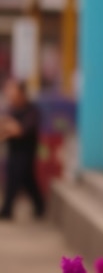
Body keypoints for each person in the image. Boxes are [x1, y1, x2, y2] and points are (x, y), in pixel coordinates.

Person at [0, 78, 45, 219]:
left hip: (26, 152)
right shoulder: (11, 110)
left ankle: (7, 209)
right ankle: (40, 206)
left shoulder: (32, 111)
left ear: (21, 92)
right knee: (26, 180)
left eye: (13, 90)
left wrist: (11, 126)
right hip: (13, 150)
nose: (9, 94)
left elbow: (20, 130)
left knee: (16, 178)